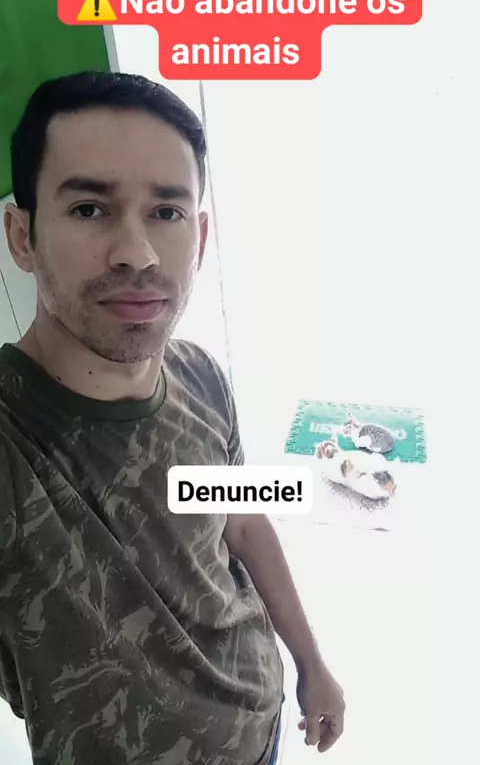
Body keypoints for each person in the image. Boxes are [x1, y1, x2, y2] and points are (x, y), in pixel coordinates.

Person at [0, 71, 345, 765]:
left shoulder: (201, 375)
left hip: (263, 722)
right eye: (89, 208)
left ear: (202, 236)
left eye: (167, 212)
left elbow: (243, 522)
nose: (138, 252)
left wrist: (311, 662)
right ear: (23, 235)